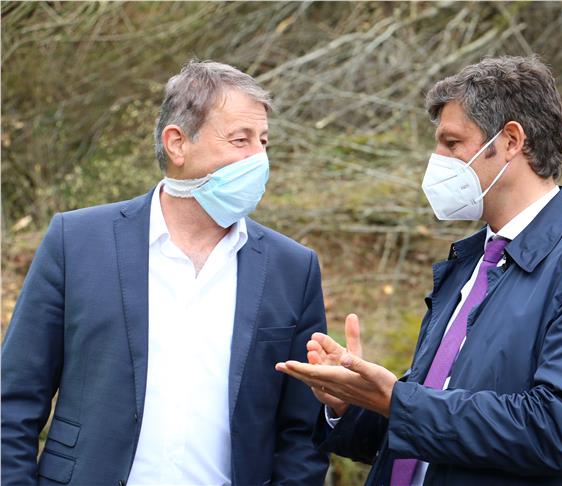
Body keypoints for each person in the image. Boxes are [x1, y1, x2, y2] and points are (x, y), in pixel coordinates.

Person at [276, 55, 562, 486]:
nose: (437, 161)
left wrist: (398, 401)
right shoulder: (470, 264)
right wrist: (352, 402)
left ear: (511, 141)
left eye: (452, 144)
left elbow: (558, 432)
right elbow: (424, 436)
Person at [2, 60, 329, 486]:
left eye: (263, 141)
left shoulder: (293, 267)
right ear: (177, 143)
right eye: (240, 140)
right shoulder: (77, 241)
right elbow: (14, 401)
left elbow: (302, 431)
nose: (259, 159)